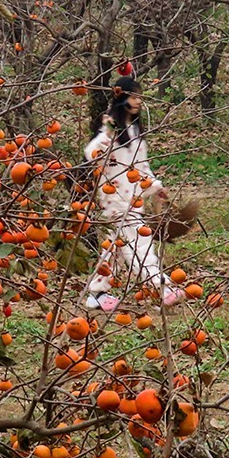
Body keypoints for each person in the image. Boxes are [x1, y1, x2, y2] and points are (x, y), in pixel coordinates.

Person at [82, 75, 184, 312]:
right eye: (135, 96)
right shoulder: (111, 128)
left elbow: (141, 166)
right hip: (115, 199)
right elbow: (91, 152)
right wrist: (107, 134)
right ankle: (162, 287)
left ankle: (97, 293)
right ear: (122, 97)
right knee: (139, 246)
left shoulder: (135, 130)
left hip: (133, 198)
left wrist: (156, 186)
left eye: (140, 96)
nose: (139, 101)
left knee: (115, 250)